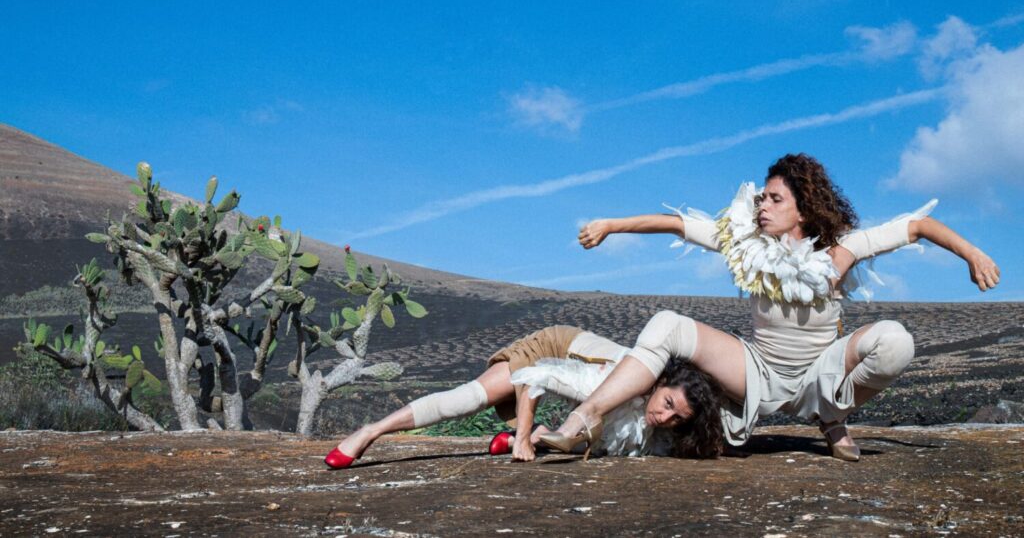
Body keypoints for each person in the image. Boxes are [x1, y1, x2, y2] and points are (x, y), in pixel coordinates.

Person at [540, 153, 1000, 461]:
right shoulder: (747, 246)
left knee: (896, 341)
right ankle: (585, 419)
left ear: (802, 210)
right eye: (762, 196)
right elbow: (679, 225)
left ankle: (832, 417)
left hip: (820, 371)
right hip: (756, 370)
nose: (763, 205)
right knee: (667, 324)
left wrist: (973, 254)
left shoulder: (841, 250)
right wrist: (611, 225)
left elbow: (917, 226)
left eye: (775, 199)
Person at [324, 326, 725, 469]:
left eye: (677, 418)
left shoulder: (659, 415)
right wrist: (521, 440)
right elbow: (537, 378)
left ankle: (535, 433)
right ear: (660, 383)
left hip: (567, 365)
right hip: (548, 349)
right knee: (467, 400)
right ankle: (370, 432)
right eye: (668, 404)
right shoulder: (616, 377)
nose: (664, 417)